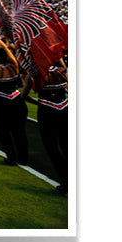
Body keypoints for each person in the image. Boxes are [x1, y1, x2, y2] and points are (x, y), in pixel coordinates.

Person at [0, 31, 30, 165]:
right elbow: (7, 49)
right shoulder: (14, 64)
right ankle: (23, 158)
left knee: (4, 131)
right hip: (16, 100)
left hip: (0, 103)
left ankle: (11, 157)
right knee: (19, 131)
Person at [35, 58, 68, 193]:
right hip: (65, 108)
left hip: (46, 111)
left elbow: (26, 93)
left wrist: (40, 103)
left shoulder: (38, 76)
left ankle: (65, 182)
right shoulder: (62, 73)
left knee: (52, 147)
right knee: (67, 144)